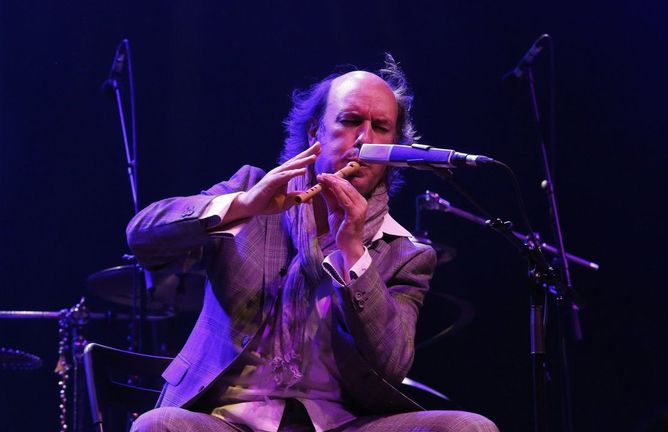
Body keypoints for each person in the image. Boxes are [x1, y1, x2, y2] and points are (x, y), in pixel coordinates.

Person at [128, 56, 498, 432]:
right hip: (228, 419)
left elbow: (391, 364)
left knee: (470, 428)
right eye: (350, 120)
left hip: (342, 423)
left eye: (381, 127)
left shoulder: (405, 254)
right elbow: (142, 235)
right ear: (314, 134)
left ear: (395, 150)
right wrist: (243, 206)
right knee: (158, 426)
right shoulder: (251, 192)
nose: (364, 139)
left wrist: (354, 253)